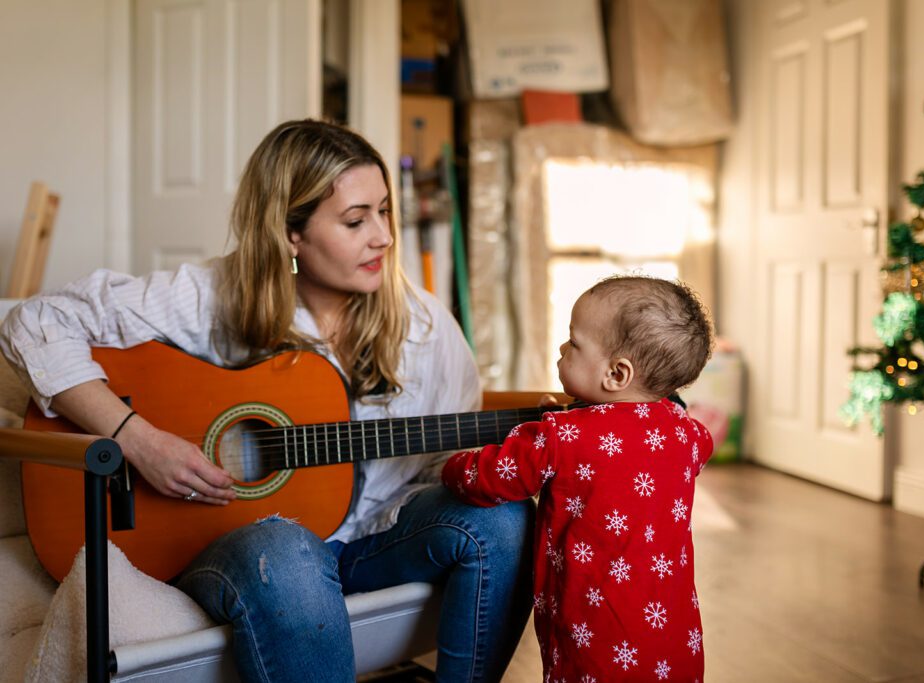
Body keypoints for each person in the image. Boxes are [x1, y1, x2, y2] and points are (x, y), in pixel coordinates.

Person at [0, 119, 533, 683]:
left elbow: (437, 472)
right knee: (287, 549)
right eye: (355, 220)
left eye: (384, 212)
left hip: (376, 538)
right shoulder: (212, 296)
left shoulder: (424, 326)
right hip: (251, 555)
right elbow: (34, 322)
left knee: (502, 516)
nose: (382, 236)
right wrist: (138, 439)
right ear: (289, 234)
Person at [442, 275, 715, 682]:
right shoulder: (685, 432)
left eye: (574, 343)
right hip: (673, 639)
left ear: (617, 375)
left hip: (596, 638)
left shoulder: (560, 437)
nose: (562, 348)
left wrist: (452, 465)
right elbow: (689, 446)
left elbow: (490, 478)